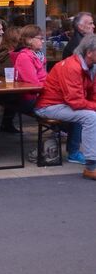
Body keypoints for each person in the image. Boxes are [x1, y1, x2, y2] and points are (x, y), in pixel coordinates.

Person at [35, 34, 96, 180]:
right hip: (49, 106)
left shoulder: (91, 65)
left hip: (65, 104)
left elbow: (93, 94)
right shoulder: (72, 67)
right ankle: (91, 167)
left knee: (91, 114)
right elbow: (76, 102)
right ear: (89, 53)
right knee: (91, 117)